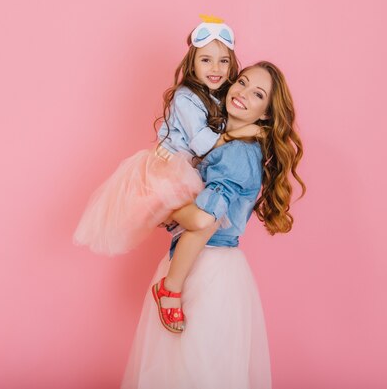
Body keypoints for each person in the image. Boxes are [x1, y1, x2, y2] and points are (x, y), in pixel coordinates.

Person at [121, 61, 305, 389]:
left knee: (195, 370)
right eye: (243, 82)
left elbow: (204, 219)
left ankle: (170, 290)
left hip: (208, 271)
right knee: (185, 370)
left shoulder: (237, 154)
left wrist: (165, 203)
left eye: (257, 93)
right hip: (194, 262)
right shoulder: (220, 141)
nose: (244, 92)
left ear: (265, 114)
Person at [73, 15, 258, 255]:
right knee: (199, 219)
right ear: (192, 65)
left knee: (206, 220)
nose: (216, 69)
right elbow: (204, 143)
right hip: (172, 164)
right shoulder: (186, 98)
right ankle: (162, 211)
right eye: (206, 60)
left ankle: (175, 237)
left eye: (223, 61)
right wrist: (244, 131)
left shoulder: (220, 96)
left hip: (190, 166)